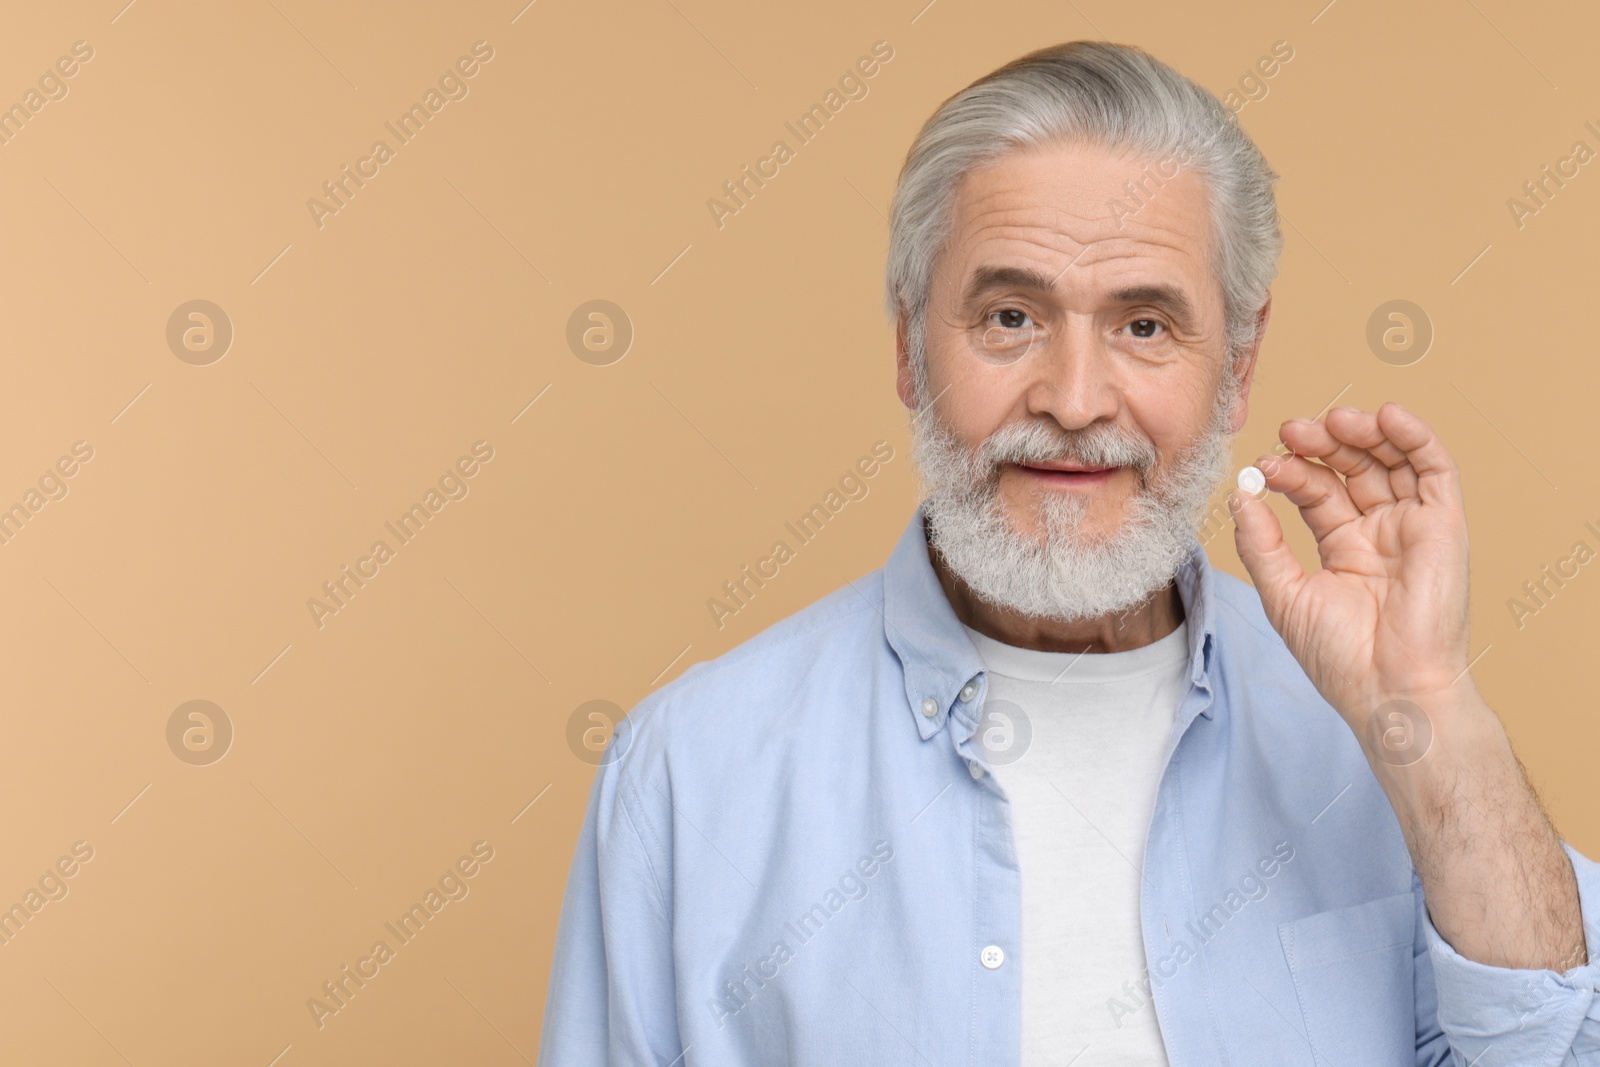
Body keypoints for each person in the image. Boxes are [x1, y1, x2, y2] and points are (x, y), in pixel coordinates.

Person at [538, 40, 1599, 1065]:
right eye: (1009, 316)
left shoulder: (1380, 742)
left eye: (1143, 325)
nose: (1075, 399)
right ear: (910, 347)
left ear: (1236, 364)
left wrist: (1431, 708)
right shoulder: (686, 771)